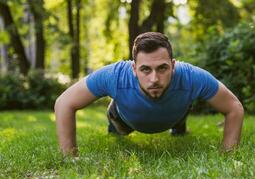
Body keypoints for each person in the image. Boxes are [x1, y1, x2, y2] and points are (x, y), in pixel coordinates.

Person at [54, 32, 244, 156]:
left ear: (174, 65)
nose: (154, 79)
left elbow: (234, 108)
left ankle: (179, 127)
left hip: (175, 111)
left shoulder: (192, 76)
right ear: (134, 68)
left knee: (182, 104)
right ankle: (115, 125)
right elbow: (64, 103)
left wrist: (228, 154)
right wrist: (70, 158)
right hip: (125, 117)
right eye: (145, 70)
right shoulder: (114, 76)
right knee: (119, 128)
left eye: (162, 68)